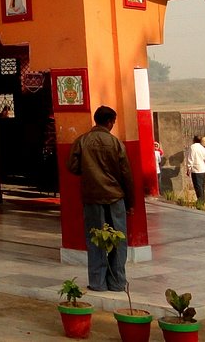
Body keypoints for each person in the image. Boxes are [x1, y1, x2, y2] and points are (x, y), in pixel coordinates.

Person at [67, 105, 133, 292]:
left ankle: (97, 282)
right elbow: (126, 174)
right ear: (110, 121)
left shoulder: (82, 141)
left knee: (95, 238)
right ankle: (117, 281)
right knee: (118, 239)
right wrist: (131, 202)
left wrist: (88, 172)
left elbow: (72, 166)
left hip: (92, 196)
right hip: (115, 197)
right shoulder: (116, 143)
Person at [187, 135, 205, 207]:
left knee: (197, 186)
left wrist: (189, 168)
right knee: (202, 186)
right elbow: (204, 157)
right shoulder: (202, 147)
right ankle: (202, 200)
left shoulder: (192, 147)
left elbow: (190, 158)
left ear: (194, 140)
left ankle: (200, 201)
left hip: (196, 169)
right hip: (202, 168)